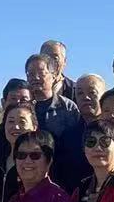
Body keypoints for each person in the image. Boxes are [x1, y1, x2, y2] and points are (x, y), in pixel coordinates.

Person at [27, 51, 83, 188]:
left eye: (40, 73)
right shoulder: (24, 108)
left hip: (62, 177)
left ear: (53, 76)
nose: (35, 77)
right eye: (30, 74)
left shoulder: (68, 107)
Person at [0, 103, 39, 202]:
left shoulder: (39, 161)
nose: (16, 127)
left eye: (22, 122)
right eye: (11, 121)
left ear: (34, 127)